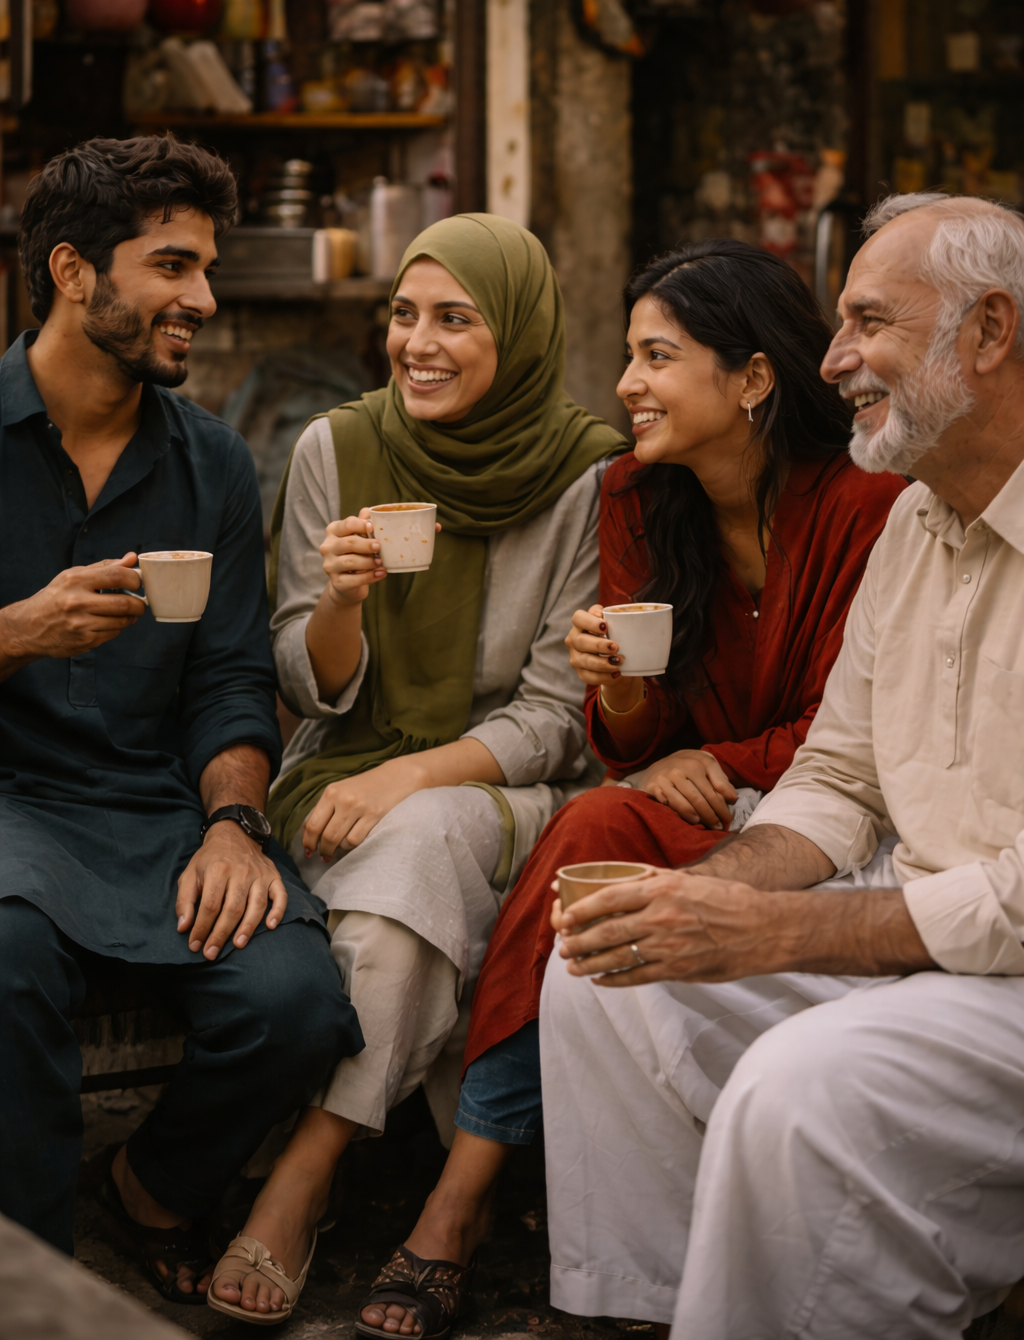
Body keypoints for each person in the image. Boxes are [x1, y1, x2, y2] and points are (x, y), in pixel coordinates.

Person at [357, 241, 907, 1340]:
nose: (625, 386)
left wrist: (711, 764)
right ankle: (474, 1189)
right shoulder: (632, 495)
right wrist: (616, 704)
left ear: (751, 378)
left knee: (599, 822)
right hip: (689, 802)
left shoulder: (865, 501)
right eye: (625, 356)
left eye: (656, 357)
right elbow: (631, 743)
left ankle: (459, 1200)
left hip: (832, 823)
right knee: (596, 818)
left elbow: (854, 737)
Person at [543, 193, 1024, 1340]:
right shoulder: (916, 524)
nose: (836, 358)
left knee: (798, 1084)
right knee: (608, 974)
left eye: (867, 322)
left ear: (989, 333)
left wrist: (787, 934)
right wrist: (717, 893)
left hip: (1003, 971)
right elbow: (838, 776)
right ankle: (662, 1311)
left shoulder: (874, 510)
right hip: (926, 948)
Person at [207, 213, 625, 1323]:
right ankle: (418, 1186)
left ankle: (306, 1169)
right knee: (410, 886)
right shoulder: (333, 450)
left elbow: (554, 717)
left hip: (503, 790)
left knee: (429, 835)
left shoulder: (589, 474)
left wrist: (413, 777)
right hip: (338, 775)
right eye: (402, 314)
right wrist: (342, 603)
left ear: (522, 333)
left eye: (454, 318)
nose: (417, 343)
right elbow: (304, 675)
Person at [0, 137, 361, 1307]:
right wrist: (19, 631)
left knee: (297, 1002)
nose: (203, 300)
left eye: (206, 269)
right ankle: (36, 1290)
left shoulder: (209, 461)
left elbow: (227, 682)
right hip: (8, 811)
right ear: (71, 271)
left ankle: (149, 1185)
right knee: (4, 961)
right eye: (173, 266)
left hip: (156, 816)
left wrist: (233, 824)